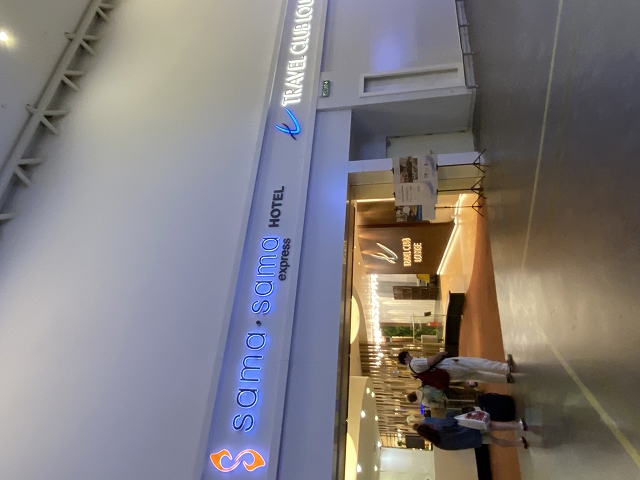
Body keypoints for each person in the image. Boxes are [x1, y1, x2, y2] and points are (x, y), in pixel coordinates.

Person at [412, 414, 528, 450]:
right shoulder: (438, 426)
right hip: (471, 429)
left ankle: (519, 443)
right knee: (493, 426)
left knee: (496, 441)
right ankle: (518, 426)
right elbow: (453, 421)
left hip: (473, 440)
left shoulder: (438, 444)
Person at [398, 350, 516, 384]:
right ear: (405, 358)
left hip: (450, 376)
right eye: (408, 355)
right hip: (449, 366)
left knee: (478, 376)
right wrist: (441, 353)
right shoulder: (414, 363)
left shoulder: (413, 372)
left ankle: (505, 379)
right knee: (478, 363)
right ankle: (505, 368)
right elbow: (431, 361)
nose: (411, 356)